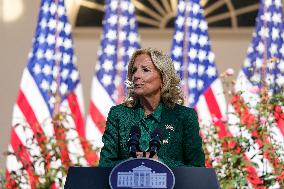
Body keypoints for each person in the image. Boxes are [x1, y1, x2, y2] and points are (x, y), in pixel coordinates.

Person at [99, 48, 205, 168]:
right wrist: (129, 163)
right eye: (134, 71)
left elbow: (197, 168)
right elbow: (105, 165)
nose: (136, 76)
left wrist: (161, 162)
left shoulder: (184, 117)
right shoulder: (118, 114)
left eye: (145, 70)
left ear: (163, 79)